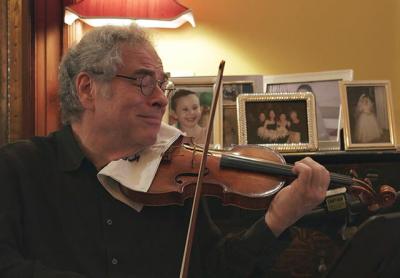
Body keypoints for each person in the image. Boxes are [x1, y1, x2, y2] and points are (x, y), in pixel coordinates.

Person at [0, 25, 330, 278]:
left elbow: (215, 269)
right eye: (143, 82)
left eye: (162, 84)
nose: (160, 98)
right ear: (87, 89)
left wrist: (277, 219)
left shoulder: (175, 178)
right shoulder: (17, 169)